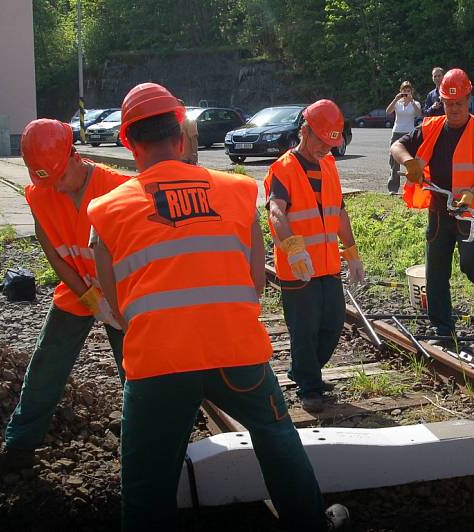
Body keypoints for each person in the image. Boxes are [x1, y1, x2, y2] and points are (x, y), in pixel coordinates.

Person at [86, 83, 349, 531]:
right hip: (236, 350)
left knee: (146, 475)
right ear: (183, 137)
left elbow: (114, 300)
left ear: (128, 141)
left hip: (157, 360)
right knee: (276, 436)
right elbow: (252, 281)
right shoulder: (238, 191)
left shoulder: (106, 208)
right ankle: (309, 522)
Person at [0, 119, 127, 476]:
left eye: (58, 177)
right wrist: (89, 299)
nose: (54, 187)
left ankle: (147, 445)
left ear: (75, 156)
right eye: (45, 180)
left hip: (123, 294)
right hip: (79, 288)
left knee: (136, 372)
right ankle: (19, 446)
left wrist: (112, 304)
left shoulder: (120, 189)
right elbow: (53, 254)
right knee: (46, 365)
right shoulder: (39, 194)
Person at [391, 68, 474, 345]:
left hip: (470, 213)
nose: (454, 109)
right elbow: (398, 145)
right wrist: (408, 161)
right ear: (441, 101)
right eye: (448, 103)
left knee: (471, 263)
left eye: (459, 103)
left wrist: (472, 192)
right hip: (440, 210)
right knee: (436, 271)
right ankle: (443, 328)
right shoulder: (430, 128)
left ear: (469, 99)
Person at [265, 99, 365, 413]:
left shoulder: (329, 166)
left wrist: (352, 254)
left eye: (332, 142)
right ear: (305, 131)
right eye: (322, 141)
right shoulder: (282, 168)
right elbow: (276, 211)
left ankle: (302, 369)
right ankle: (309, 386)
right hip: (298, 267)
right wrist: (293, 249)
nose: (327, 148)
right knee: (304, 329)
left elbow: (340, 214)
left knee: (333, 324)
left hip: (327, 265)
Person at [386, 81, 422, 193]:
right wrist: (396, 99)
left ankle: (410, 189)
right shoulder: (397, 102)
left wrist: (411, 101)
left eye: (408, 91)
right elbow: (388, 111)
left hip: (409, 133)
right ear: (400, 91)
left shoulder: (415, 103)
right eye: (404, 91)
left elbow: (419, 114)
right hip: (397, 132)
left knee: (410, 160)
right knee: (394, 161)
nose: (406, 93)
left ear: (411, 92)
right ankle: (393, 189)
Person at [178, 99, 198, 165]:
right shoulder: (175, 122)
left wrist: (194, 154)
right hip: (177, 159)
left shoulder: (189, 121)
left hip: (187, 159)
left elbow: (194, 139)